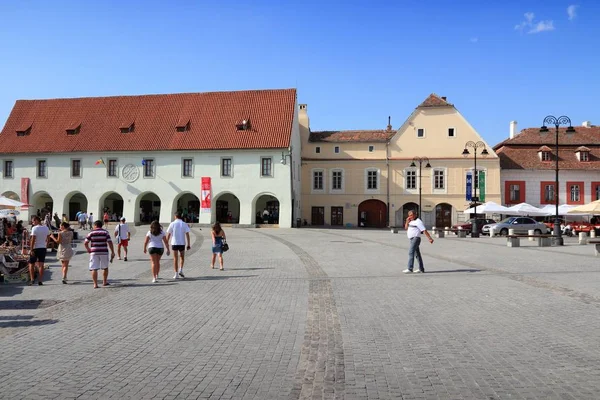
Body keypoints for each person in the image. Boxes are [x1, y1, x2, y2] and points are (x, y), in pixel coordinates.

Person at [84, 220, 115, 289]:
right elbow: (110, 242)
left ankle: (95, 284)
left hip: (94, 252)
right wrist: (112, 251)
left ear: (95, 225)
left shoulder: (91, 232)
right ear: (101, 225)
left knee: (94, 268)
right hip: (104, 251)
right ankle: (104, 282)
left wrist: (88, 249)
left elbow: (86, 243)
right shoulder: (105, 232)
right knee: (105, 267)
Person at [166, 211, 191, 279]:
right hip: (182, 243)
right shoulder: (184, 224)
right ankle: (181, 270)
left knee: (175, 258)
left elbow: (168, 234)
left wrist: (166, 243)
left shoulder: (172, 224)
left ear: (175, 216)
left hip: (174, 243)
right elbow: (187, 234)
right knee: (182, 257)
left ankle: (176, 273)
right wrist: (188, 244)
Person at [28, 216, 50, 285]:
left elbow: (33, 239)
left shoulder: (34, 228)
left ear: (36, 220)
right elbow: (48, 238)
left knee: (31, 264)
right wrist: (46, 246)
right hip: (43, 248)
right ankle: (40, 280)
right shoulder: (46, 228)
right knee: (41, 265)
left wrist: (31, 249)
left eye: (33, 221)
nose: (32, 223)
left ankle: (32, 279)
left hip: (35, 248)